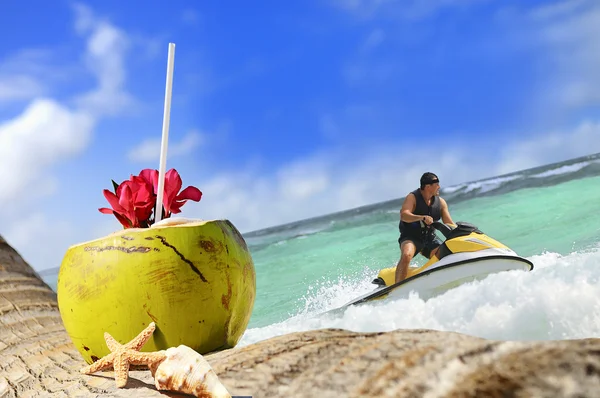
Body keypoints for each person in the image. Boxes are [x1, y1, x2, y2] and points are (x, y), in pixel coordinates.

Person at [394, 172, 454, 284]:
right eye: (437, 184)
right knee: (407, 255)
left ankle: (442, 281)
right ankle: (396, 287)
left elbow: (448, 222)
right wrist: (421, 217)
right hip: (411, 237)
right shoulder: (412, 197)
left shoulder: (440, 202)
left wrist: (461, 231)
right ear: (428, 186)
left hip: (429, 238)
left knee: (445, 255)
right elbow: (404, 215)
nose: (439, 187)